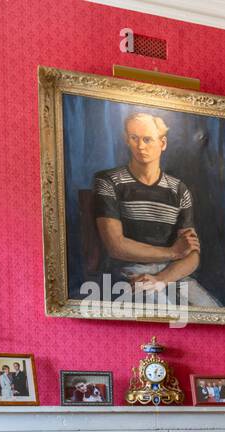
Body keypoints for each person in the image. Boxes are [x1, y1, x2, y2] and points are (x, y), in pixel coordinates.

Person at [93, 111, 218, 307]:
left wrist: (161, 279)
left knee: (211, 310)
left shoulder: (178, 189)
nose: (140, 146)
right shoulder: (109, 181)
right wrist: (173, 253)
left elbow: (192, 254)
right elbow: (116, 246)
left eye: (147, 139)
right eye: (134, 138)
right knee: (162, 311)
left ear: (163, 143)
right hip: (127, 275)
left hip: (170, 276)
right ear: (127, 140)